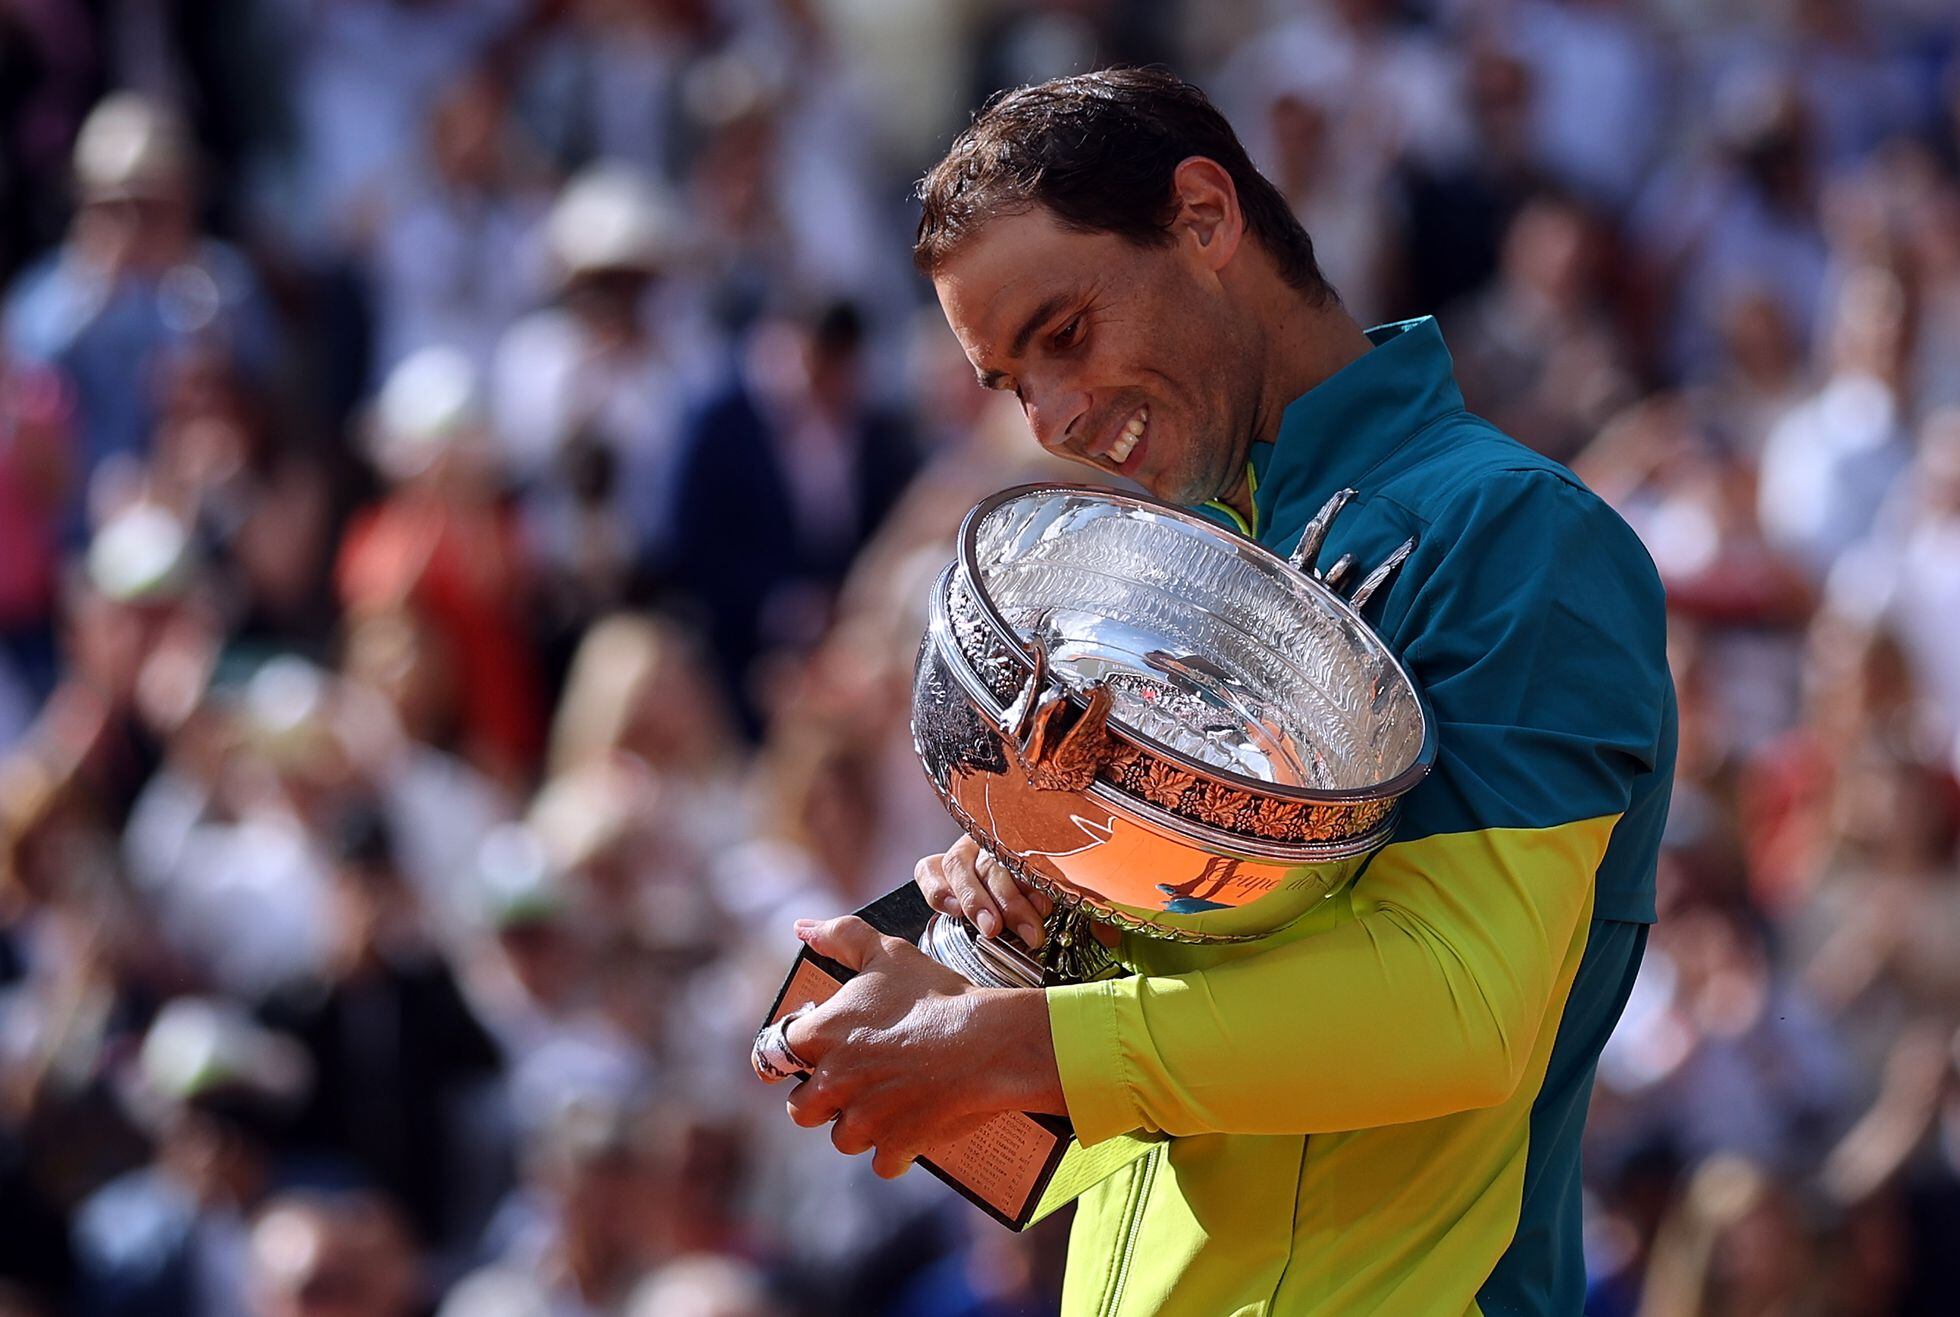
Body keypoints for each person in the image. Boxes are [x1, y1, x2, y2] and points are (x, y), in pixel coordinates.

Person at [763, 69, 1676, 1316]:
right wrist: (995, 973)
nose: (1056, 418)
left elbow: (1466, 1008)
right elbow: (1122, 1131)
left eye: (1065, 334)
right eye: (1009, 383)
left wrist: (1021, 1044)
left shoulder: (1513, 536)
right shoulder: (1160, 591)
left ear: (1204, 216)